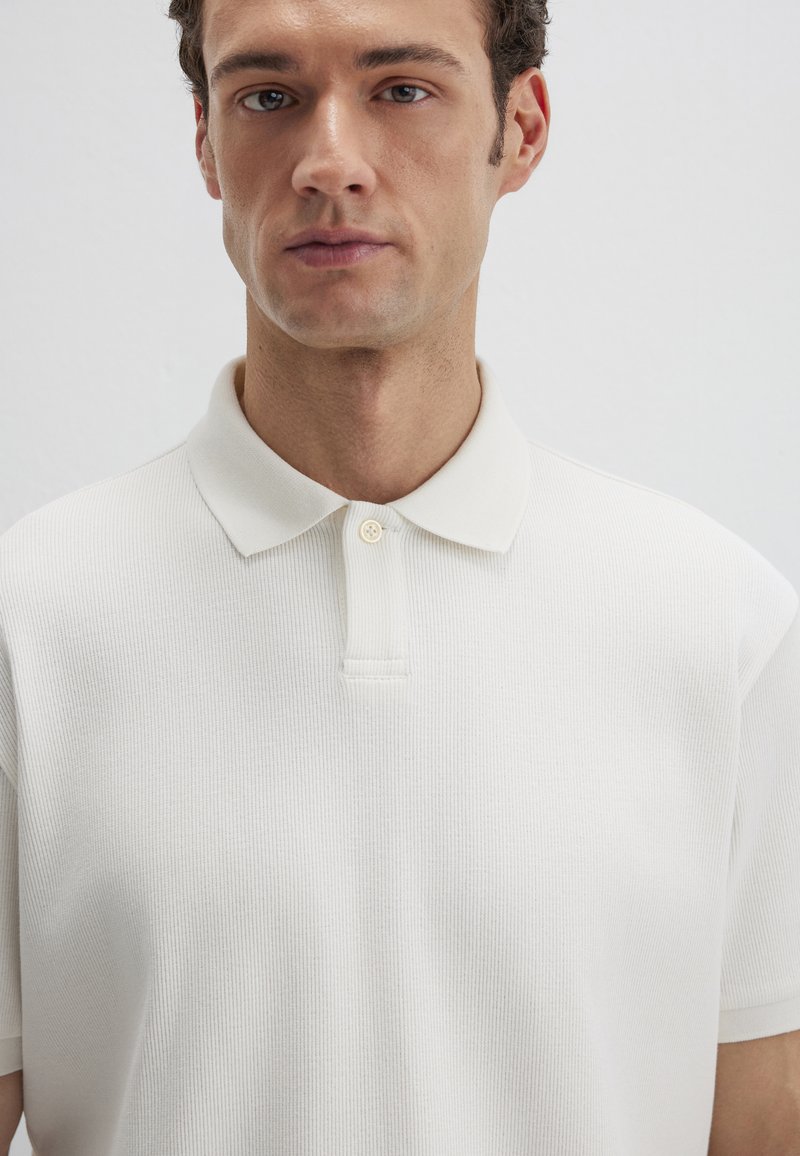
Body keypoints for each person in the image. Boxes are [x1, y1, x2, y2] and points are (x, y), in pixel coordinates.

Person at [1, 0, 799, 1152]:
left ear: (519, 129)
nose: (327, 161)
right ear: (205, 140)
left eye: (402, 89)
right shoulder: (29, 623)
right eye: (267, 96)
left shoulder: (724, 628)